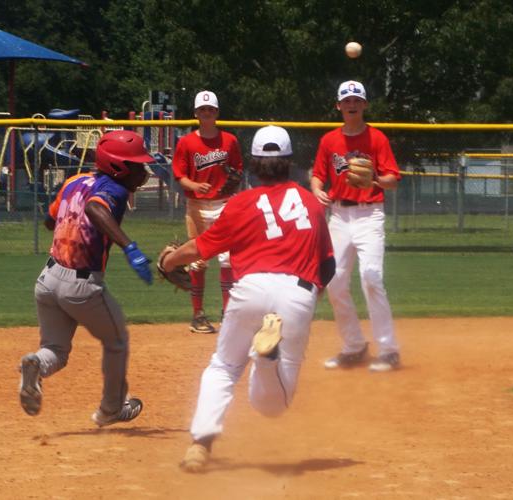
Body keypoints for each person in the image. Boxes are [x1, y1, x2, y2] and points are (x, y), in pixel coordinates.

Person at [161, 126, 335, 472]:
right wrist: (311, 298)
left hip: (249, 288)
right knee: (272, 406)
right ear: (288, 163)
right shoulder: (309, 202)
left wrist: (167, 261)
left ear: (253, 164)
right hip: (297, 292)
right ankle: (266, 359)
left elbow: (200, 248)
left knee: (224, 367)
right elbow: (328, 265)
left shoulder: (240, 202)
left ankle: (200, 445)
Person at [18, 130, 154, 427]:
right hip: (81, 286)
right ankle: (112, 409)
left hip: (48, 279)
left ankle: (35, 365)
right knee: (116, 340)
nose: (144, 171)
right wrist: (130, 248)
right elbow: (95, 208)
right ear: (118, 167)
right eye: (137, 165)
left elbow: (49, 220)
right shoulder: (115, 190)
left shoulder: (74, 180)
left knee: (55, 350)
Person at [310, 80, 402, 372]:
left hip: (369, 214)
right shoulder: (329, 141)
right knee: (334, 281)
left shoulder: (376, 139)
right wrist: (316, 190)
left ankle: (388, 350)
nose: (351, 104)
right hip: (338, 216)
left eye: (356, 100)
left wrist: (374, 180)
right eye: (346, 100)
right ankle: (354, 346)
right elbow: (317, 176)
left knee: (371, 278)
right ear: (338, 106)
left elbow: (393, 181)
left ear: (364, 105)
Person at [171, 90, 244, 334]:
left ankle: (228, 314)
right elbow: (180, 175)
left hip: (225, 204)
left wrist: (233, 182)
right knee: (198, 261)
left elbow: (237, 170)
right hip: (197, 206)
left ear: (217, 113)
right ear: (196, 113)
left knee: (227, 260)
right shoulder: (187, 142)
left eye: (211, 109)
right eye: (202, 110)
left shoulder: (229, 141)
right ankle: (198, 315)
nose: (207, 113)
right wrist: (194, 185)